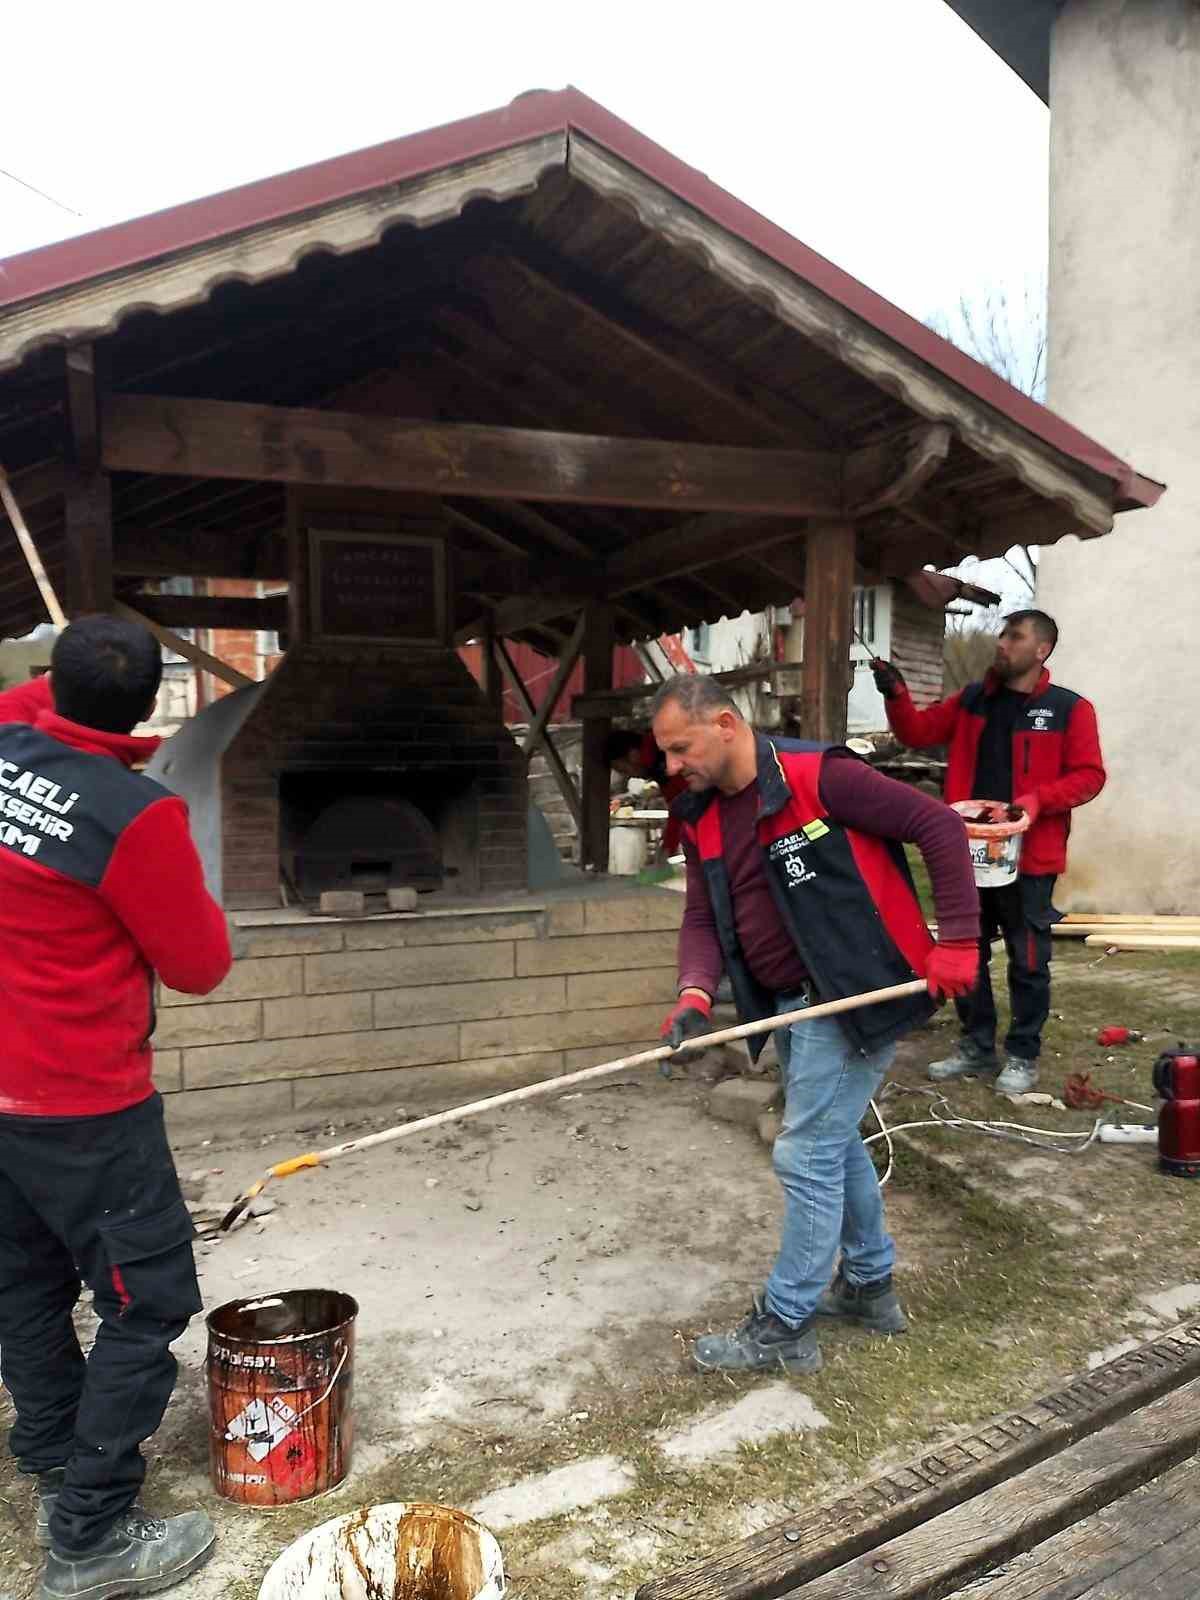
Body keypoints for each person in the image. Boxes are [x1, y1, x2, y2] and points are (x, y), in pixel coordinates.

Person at [652, 675, 979, 1375]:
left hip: (856, 990)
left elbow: (940, 825)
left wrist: (958, 940)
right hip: (791, 1004)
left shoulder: (819, 775)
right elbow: (703, 918)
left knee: (806, 1153)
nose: (673, 767)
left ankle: (785, 1325)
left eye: (682, 749)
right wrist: (694, 996)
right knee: (834, 1142)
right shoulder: (703, 816)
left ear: (727, 725)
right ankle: (867, 1285)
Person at [0, 618, 232, 1600]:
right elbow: (200, 964)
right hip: (86, 1103)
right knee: (151, 1301)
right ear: (150, 705)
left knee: (25, 1278)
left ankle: (52, 1444)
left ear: (49, 681)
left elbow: (27, 709)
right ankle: (90, 1534)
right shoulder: (134, 815)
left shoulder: (5, 742)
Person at [871, 609, 1105, 1094]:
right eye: (1001, 634)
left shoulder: (1069, 710)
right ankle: (976, 1047)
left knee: (1028, 958)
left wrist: (1037, 801)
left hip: (1030, 856)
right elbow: (917, 731)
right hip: (966, 853)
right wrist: (895, 694)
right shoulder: (974, 699)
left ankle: (1022, 1053)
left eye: (1013, 636)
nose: (1001, 643)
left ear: (1041, 650)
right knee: (965, 953)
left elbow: (1089, 776)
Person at [605, 727, 688, 858]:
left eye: (624, 769)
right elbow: (678, 810)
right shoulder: (657, 761)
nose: (630, 775)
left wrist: (666, 851)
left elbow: (688, 803)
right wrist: (667, 850)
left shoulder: (663, 754)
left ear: (632, 755)